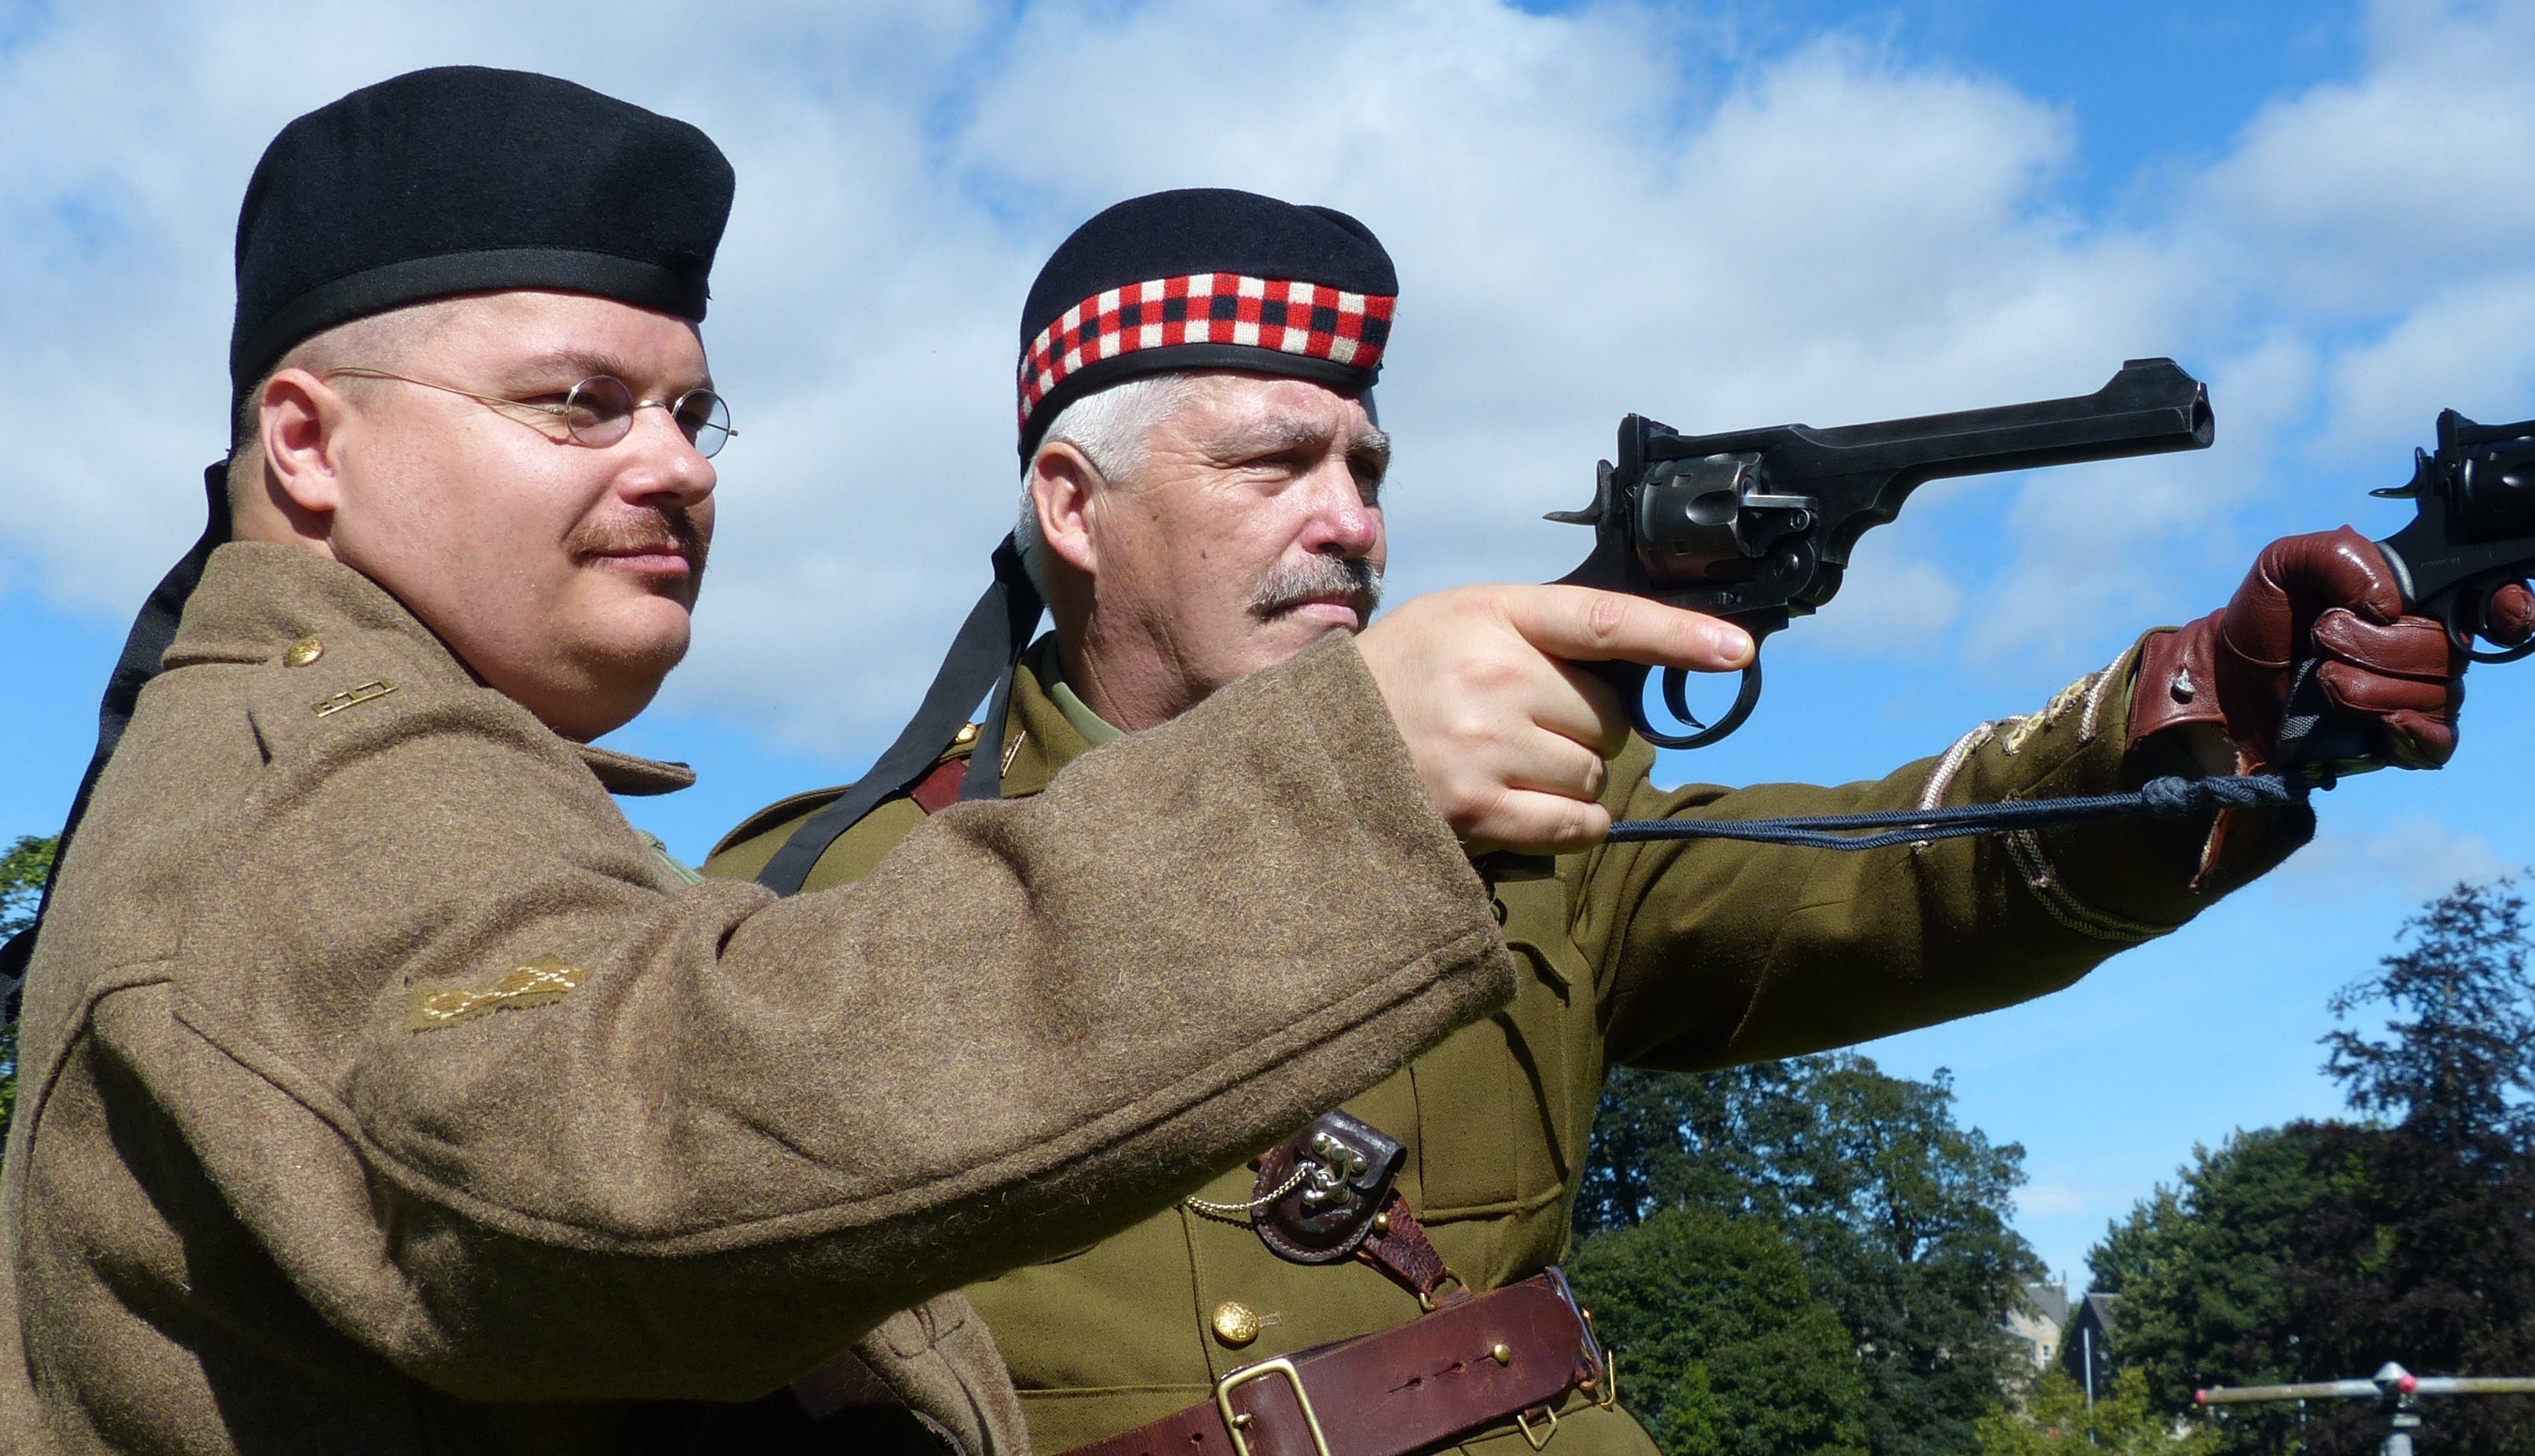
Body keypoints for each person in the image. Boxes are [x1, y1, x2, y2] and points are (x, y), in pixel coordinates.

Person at [0, 79, 1749, 1455]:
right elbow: (644, 1150)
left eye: (692, 414)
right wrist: (1345, 781)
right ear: (305, 445)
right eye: (577, 404)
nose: (677, 468)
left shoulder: (358, 754)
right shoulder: (327, 785)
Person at [705, 189, 2518, 1456]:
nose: (1350, 520)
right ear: (1074, 507)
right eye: (1272, 462)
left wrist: (2195, 725)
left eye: (1369, 468)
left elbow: (1885, 879)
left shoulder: (1527, 829)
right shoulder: (823, 894)